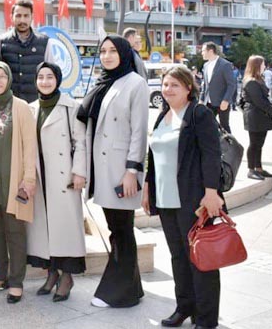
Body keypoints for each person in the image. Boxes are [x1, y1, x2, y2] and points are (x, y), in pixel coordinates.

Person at [142, 66, 225, 329]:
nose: (168, 89)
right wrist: (147, 185)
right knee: (178, 257)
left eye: (174, 85)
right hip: (166, 199)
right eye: (165, 84)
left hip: (192, 199)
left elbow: (212, 154)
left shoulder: (199, 114)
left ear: (189, 87)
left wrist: (211, 192)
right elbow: (153, 155)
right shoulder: (163, 115)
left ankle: (206, 317)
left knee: (200, 259)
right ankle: (184, 306)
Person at [77, 35, 148, 309]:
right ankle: (134, 288)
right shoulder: (103, 82)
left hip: (121, 170)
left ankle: (117, 292)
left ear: (124, 53)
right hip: (102, 169)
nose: (106, 56)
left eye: (112, 51)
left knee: (121, 230)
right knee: (117, 228)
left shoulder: (135, 83)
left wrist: (132, 170)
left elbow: (139, 131)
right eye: (103, 51)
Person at [27, 62, 88, 302]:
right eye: (40, 77)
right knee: (45, 230)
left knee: (66, 229)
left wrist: (79, 172)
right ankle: (52, 272)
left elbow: (80, 141)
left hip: (64, 177)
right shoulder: (30, 108)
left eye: (49, 77)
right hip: (40, 175)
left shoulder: (71, 107)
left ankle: (67, 277)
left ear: (58, 79)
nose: (44, 81)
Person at [0, 61, 36, 304]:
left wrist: (29, 178)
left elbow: (30, 145)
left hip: (14, 182)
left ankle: (16, 281)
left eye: (3, 76)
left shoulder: (21, 107)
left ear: (9, 79)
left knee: (15, 232)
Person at [0, 0, 54, 103]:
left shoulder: (45, 43)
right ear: (11, 17)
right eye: (18, 16)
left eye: (26, 16)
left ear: (32, 17)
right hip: (8, 104)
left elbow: (52, 74)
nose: (22, 20)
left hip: (36, 104)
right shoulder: (1, 42)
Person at [240, 55, 272, 180]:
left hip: (260, 116)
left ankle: (259, 168)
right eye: (262, 64)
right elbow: (259, 101)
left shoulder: (257, 79)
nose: (264, 66)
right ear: (256, 65)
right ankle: (251, 169)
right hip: (255, 116)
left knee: (259, 144)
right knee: (254, 144)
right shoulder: (251, 81)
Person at [200, 42, 237, 134]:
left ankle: (230, 146)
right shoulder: (205, 65)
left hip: (222, 102)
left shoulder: (225, 64)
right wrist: (201, 99)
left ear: (211, 51)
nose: (202, 53)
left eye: (203, 51)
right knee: (207, 125)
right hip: (208, 102)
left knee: (224, 126)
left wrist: (226, 100)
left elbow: (231, 84)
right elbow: (205, 84)